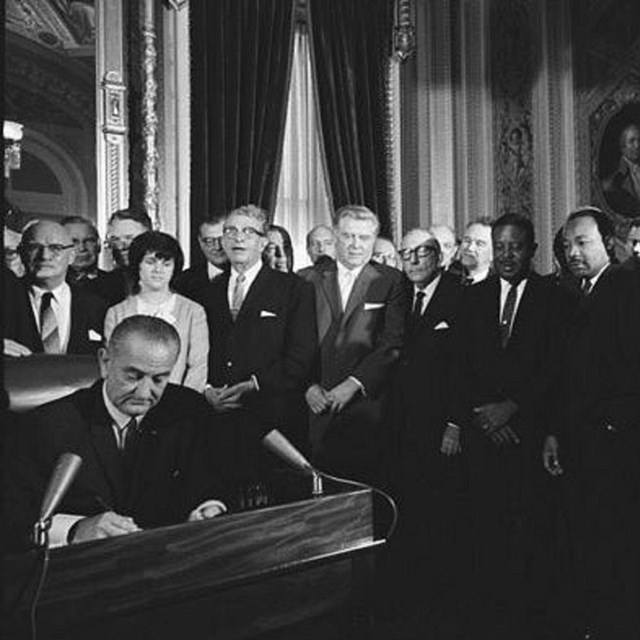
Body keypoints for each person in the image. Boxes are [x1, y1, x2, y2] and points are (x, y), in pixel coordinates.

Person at [447, 213, 573, 638]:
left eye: (515, 246)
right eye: (499, 246)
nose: (506, 255)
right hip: (483, 436)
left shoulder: (555, 298)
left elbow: (557, 369)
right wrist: (484, 414)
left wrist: (513, 408)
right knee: (485, 536)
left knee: (531, 539)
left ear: (532, 249)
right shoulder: (471, 298)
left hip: (529, 437)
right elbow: (459, 368)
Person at [4, 316, 230, 551]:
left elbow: (209, 482)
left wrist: (209, 506)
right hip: (83, 569)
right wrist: (75, 530)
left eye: (159, 379)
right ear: (104, 362)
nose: (144, 393)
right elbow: (12, 514)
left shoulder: (190, 411)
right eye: (133, 376)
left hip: (168, 562)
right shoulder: (46, 425)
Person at [542, 207, 640, 640]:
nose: (573, 252)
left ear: (608, 243)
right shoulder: (581, 292)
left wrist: (616, 426)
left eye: (582, 242)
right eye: (567, 245)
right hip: (584, 441)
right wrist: (557, 433)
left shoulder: (626, 287)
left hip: (614, 444)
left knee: (615, 543)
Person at [199, 205, 317, 479]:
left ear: (263, 241)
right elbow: (200, 353)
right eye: (231, 231)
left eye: (247, 232)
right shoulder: (207, 292)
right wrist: (207, 391)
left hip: (275, 422)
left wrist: (253, 384)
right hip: (220, 422)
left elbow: (301, 357)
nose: (237, 238)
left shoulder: (294, 289)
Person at [388, 227, 466, 616]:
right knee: (410, 511)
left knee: (442, 513)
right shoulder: (397, 293)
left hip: (441, 426)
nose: (414, 261)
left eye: (423, 253)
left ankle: (444, 599)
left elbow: (467, 367)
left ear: (439, 256)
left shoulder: (461, 295)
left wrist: (455, 423)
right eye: (407, 254)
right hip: (402, 426)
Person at [304, 205, 406, 483]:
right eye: (348, 236)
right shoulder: (306, 279)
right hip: (314, 405)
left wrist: (352, 385)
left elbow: (392, 343)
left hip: (367, 409)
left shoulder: (391, 281)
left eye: (363, 238)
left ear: (374, 240)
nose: (355, 245)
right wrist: (308, 386)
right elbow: (296, 342)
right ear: (335, 236)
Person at [104, 231, 209, 392]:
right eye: (150, 262)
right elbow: (114, 365)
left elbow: (198, 365)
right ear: (137, 264)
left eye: (166, 264)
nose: (158, 270)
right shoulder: (117, 313)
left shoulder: (193, 312)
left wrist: (185, 401)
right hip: (130, 400)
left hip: (180, 402)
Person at [3, 220, 107, 357]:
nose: (44, 256)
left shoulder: (97, 307)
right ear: (22, 253)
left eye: (56, 248)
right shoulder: (6, 297)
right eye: (34, 247)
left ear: (71, 256)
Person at [102, 209, 153, 304]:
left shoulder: (173, 282)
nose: (121, 246)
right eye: (115, 239)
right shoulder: (101, 286)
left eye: (129, 238)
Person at [174, 217, 228, 301]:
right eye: (209, 241)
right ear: (200, 242)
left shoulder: (245, 277)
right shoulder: (183, 282)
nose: (217, 247)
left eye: (222, 239)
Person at [602, 123, 640, 218]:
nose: (637, 145)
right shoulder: (616, 173)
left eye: (639, 140)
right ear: (623, 146)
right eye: (632, 141)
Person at [456, 217, 493, 284]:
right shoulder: (447, 281)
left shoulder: (499, 287)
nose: (470, 248)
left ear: (493, 254)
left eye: (479, 244)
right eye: (467, 240)